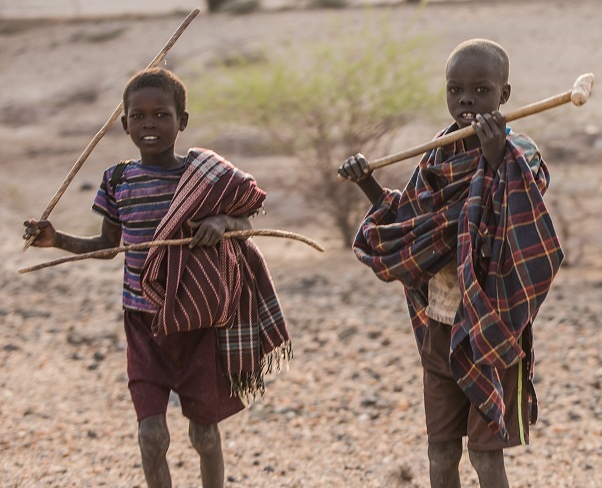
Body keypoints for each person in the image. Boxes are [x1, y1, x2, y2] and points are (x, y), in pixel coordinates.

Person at [23, 67, 291, 488]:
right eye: (139, 116)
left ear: (182, 121)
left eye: (161, 115)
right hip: (143, 325)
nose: (149, 124)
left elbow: (247, 223)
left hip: (197, 321)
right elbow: (108, 246)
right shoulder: (117, 180)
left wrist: (222, 221)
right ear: (124, 123)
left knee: (204, 435)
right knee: (151, 435)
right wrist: (56, 240)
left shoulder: (203, 177)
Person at [338, 39, 564, 487]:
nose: (466, 100)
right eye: (455, 89)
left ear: (504, 94)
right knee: (440, 453)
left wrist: (496, 159)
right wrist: (367, 183)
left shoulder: (520, 153)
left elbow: (520, 221)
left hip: (491, 326)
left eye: (481, 90)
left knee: (485, 457)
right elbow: (410, 222)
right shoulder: (438, 154)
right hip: (440, 324)